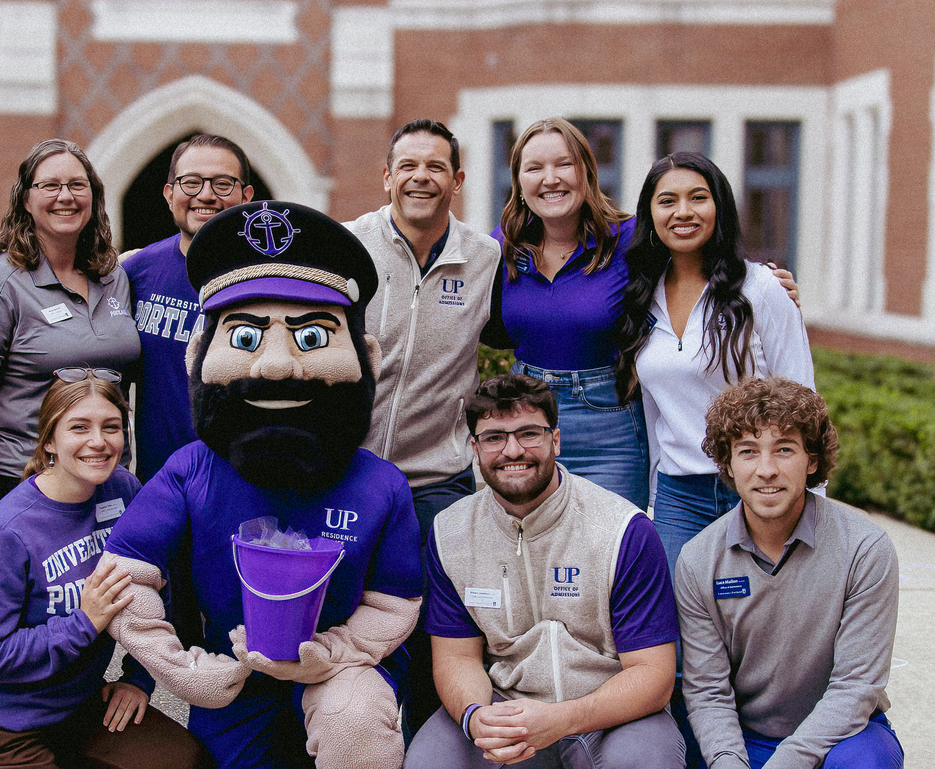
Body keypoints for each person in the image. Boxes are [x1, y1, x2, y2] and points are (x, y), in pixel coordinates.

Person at [104, 201, 423, 769]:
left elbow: (395, 601)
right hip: (234, 673)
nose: (277, 366)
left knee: (356, 728)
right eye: (247, 337)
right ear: (197, 357)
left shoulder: (381, 485)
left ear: (366, 359)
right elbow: (125, 573)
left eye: (311, 338)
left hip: (343, 669)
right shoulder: (190, 472)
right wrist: (182, 669)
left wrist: (329, 655)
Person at [491, 120, 799, 510]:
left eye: (564, 164)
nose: (550, 179)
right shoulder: (501, 247)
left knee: (611, 554)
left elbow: (695, 257)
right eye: (534, 168)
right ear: (518, 181)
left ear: (587, 171)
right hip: (527, 418)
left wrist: (766, 286)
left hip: (610, 425)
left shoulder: (630, 239)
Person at [406, 373, 683, 769]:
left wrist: (562, 719)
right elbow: (457, 658)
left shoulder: (623, 530)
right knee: (429, 762)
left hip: (609, 708)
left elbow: (654, 675)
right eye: (494, 437)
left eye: (529, 434)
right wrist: (475, 717)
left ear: (556, 439)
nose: (512, 450)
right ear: (474, 448)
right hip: (506, 703)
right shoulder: (450, 532)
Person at [0, 371, 205, 769]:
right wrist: (85, 622)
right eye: (79, 427)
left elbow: (156, 586)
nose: (98, 441)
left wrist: (138, 679)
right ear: (49, 439)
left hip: (79, 708)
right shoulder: (7, 531)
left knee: (182, 759)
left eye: (111, 427)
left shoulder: (124, 490)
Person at [345, 118, 503, 727]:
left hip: (436, 479)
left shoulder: (484, 259)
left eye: (436, 166)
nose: (421, 177)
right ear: (386, 177)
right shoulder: (347, 245)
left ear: (457, 180)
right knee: (345, 621)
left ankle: (429, 743)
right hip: (349, 472)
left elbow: (570, 274)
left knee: (439, 628)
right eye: (408, 165)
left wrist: (760, 280)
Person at [677, 377, 904, 769]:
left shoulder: (864, 548)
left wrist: (788, 762)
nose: (766, 470)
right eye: (748, 451)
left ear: (812, 460)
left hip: (844, 736)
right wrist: (730, 762)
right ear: (728, 463)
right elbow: (708, 693)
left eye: (784, 450)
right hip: (743, 737)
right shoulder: (698, 560)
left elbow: (855, 687)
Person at [614, 152, 814, 577]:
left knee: (757, 623)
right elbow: (653, 410)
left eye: (698, 197)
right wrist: (653, 494)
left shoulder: (760, 288)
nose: (683, 212)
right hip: (678, 495)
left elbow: (803, 398)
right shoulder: (640, 296)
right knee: (676, 626)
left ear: (719, 207)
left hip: (759, 486)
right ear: (650, 214)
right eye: (667, 201)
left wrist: (813, 500)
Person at [0, 139, 140, 539]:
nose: (65, 197)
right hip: (26, 482)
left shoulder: (114, 278)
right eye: (50, 186)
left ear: (94, 196)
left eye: (77, 185)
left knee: (101, 596)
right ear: (25, 200)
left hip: (105, 479)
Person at [123, 133, 254, 482]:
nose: (206, 195)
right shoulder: (136, 272)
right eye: (191, 182)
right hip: (157, 482)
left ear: (246, 196)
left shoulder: (269, 279)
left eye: (223, 184)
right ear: (170, 194)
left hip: (244, 484)